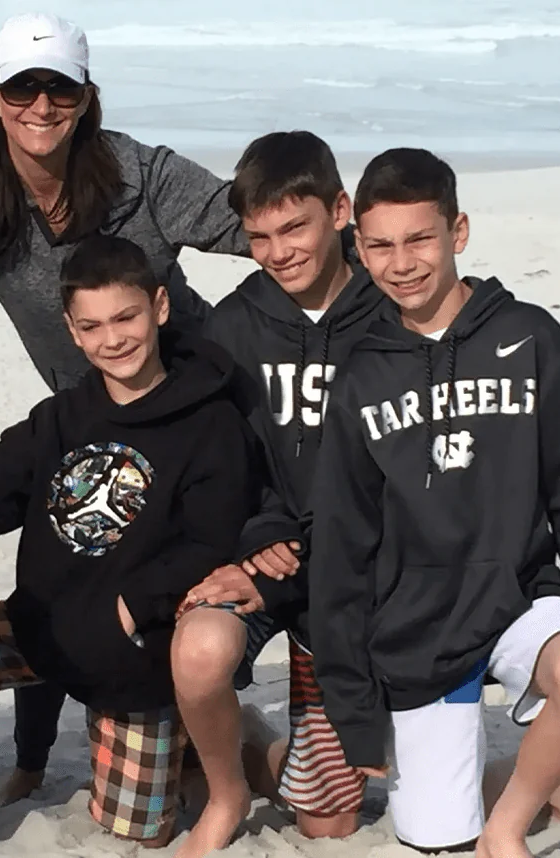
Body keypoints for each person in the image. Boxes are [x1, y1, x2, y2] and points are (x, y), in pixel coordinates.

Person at [0, 10, 251, 821]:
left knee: (144, 596)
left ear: (84, 96)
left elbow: (259, 229)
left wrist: (362, 247)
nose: (40, 103)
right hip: (78, 420)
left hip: (189, 417)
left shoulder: (142, 174)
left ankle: (218, 737)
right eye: (23, 85)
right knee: (48, 568)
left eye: (58, 86)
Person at [308, 147, 560, 857]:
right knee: (435, 837)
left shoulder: (528, 335)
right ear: (357, 247)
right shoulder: (361, 372)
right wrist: (353, 707)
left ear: (456, 231)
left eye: (419, 238)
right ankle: (508, 786)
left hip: (518, 599)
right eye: (380, 245)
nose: (401, 263)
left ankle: (509, 827)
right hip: (418, 631)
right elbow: (341, 542)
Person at [0, 234, 261, 847]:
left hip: (133, 655)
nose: (113, 339)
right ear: (73, 332)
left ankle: (226, 740)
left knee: (133, 830)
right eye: (93, 326)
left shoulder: (211, 423)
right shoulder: (61, 418)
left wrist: (133, 608)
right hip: (40, 630)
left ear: (159, 307)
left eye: (126, 317)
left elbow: (209, 543)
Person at [165, 130, 387, 858]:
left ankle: (310, 758)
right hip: (264, 564)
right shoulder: (232, 326)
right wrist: (254, 547)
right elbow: (220, 466)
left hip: (353, 583)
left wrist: (310, 553)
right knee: (199, 650)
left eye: (294, 227)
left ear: (340, 210)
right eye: (258, 236)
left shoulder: (394, 319)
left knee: (328, 825)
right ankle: (230, 790)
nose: (278, 250)